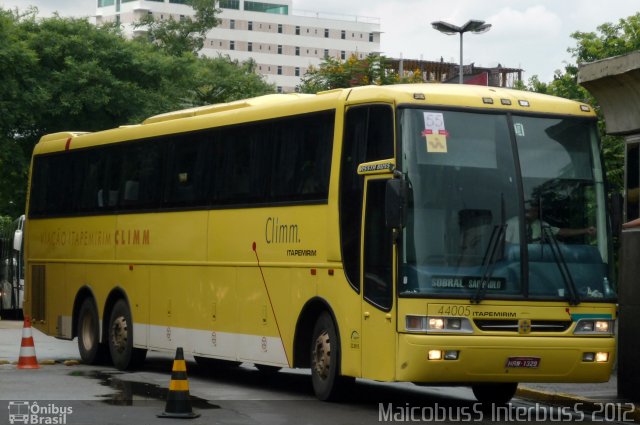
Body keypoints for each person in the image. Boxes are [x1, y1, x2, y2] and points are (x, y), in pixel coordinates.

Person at [505, 201, 596, 244]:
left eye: (536, 211)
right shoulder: (511, 223)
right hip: (516, 262)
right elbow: (505, 246)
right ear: (525, 210)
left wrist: (585, 231)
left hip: (535, 262)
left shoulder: (541, 225)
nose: (534, 213)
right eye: (531, 210)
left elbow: (562, 232)